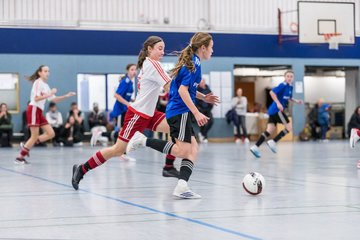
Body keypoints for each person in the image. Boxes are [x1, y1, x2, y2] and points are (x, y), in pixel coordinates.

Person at [71, 36, 181, 191]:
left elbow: (171, 87)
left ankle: (168, 166)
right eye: (160, 48)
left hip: (150, 114)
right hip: (137, 115)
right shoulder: (153, 65)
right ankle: (81, 169)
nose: (163, 52)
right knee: (117, 150)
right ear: (149, 49)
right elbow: (171, 88)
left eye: (164, 48)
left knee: (176, 127)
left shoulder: (148, 65)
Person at [126, 33, 220, 199]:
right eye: (211, 47)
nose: (213, 50)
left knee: (193, 149)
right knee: (183, 150)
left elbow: (186, 88)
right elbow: (182, 91)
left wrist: (204, 97)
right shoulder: (194, 65)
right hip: (179, 111)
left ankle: (182, 186)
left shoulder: (193, 62)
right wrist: (197, 112)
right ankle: (142, 140)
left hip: (179, 111)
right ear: (203, 48)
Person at [15, 65, 76, 164]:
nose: (47, 73)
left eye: (48, 71)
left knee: (51, 133)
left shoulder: (46, 86)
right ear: (39, 73)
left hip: (39, 111)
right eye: (45, 71)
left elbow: (53, 99)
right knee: (34, 136)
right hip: (33, 109)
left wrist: (66, 95)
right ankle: (19, 157)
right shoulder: (38, 83)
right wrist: (50, 93)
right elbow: (36, 98)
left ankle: (26, 145)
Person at [250, 70, 303, 158]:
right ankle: (273, 141)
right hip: (277, 110)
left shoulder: (290, 87)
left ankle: (255, 147)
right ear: (285, 77)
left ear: (293, 78)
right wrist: (278, 103)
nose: (289, 78)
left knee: (269, 130)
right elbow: (271, 92)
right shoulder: (283, 85)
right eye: (288, 76)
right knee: (289, 127)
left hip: (272, 111)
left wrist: (296, 101)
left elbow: (288, 97)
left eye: (291, 76)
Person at [196, 79, 214, 143]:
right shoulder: (197, 90)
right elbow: (195, 101)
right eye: (200, 83)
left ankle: (203, 134)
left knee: (211, 121)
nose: (201, 84)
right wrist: (198, 109)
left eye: (202, 82)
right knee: (203, 123)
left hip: (208, 109)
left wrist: (210, 107)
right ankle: (204, 136)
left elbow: (211, 99)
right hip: (200, 109)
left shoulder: (208, 90)